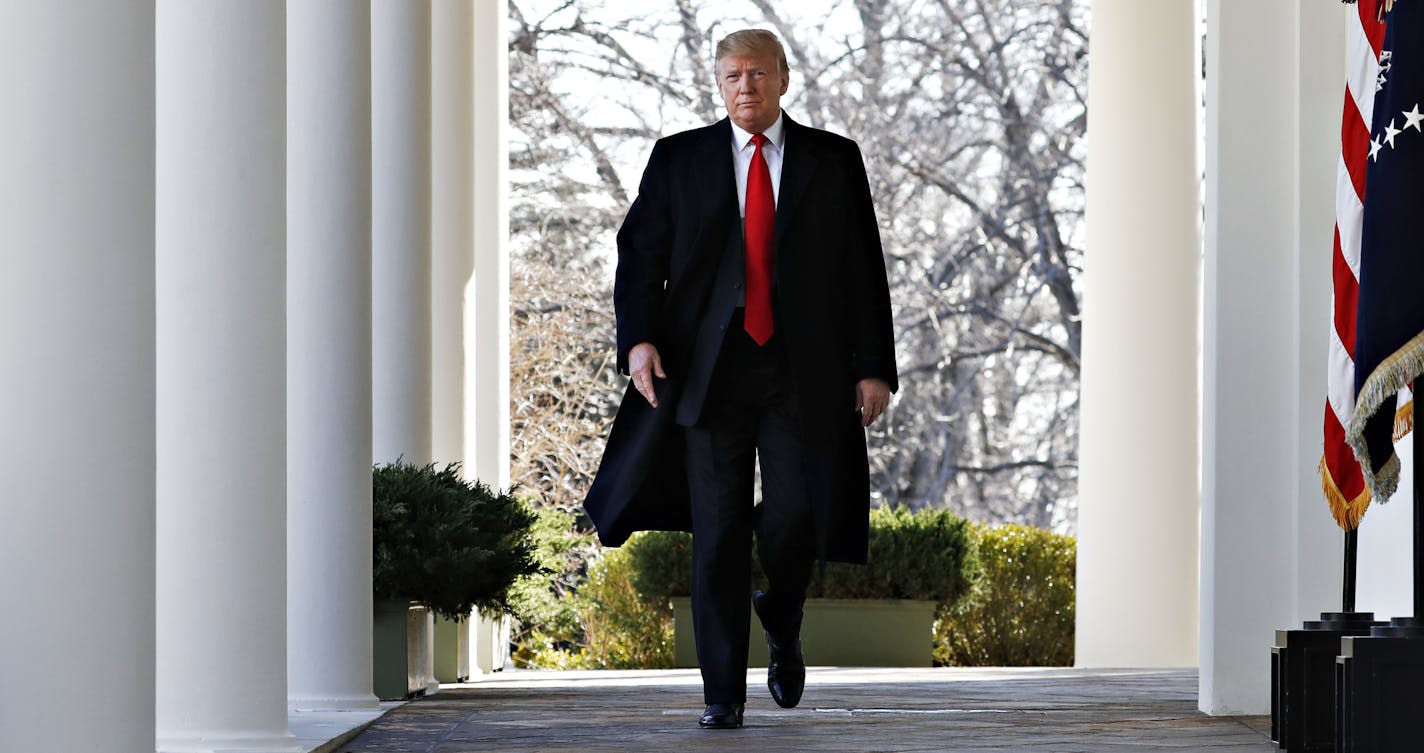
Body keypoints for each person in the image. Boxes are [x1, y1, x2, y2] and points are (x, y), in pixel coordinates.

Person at [583, 28, 897, 730]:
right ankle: (721, 693)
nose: (745, 87)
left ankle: (781, 619)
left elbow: (862, 269)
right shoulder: (678, 159)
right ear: (718, 84)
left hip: (803, 372)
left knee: (794, 518)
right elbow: (638, 258)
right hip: (707, 375)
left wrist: (875, 366)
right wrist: (636, 342)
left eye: (758, 73)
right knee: (718, 532)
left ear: (784, 78)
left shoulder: (833, 160)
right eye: (732, 76)